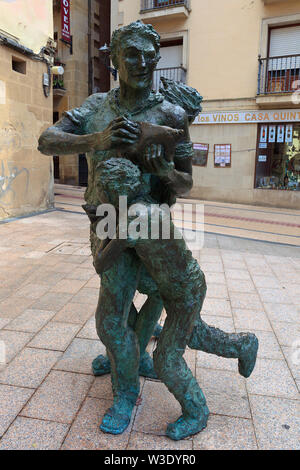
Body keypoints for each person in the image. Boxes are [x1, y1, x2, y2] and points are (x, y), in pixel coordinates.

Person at [38, 21, 258, 440]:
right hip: (105, 219)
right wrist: (98, 139)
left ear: (157, 60)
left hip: (150, 225)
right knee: (118, 313)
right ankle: (130, 367)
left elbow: (185, 184)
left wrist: (161, 169)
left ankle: (126, 386)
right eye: (132, 54)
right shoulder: (96, 107)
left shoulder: (172, 114)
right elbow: (47, 140)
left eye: (149, 56)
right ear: (115, 59)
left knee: (123, 313)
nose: (142, 63)